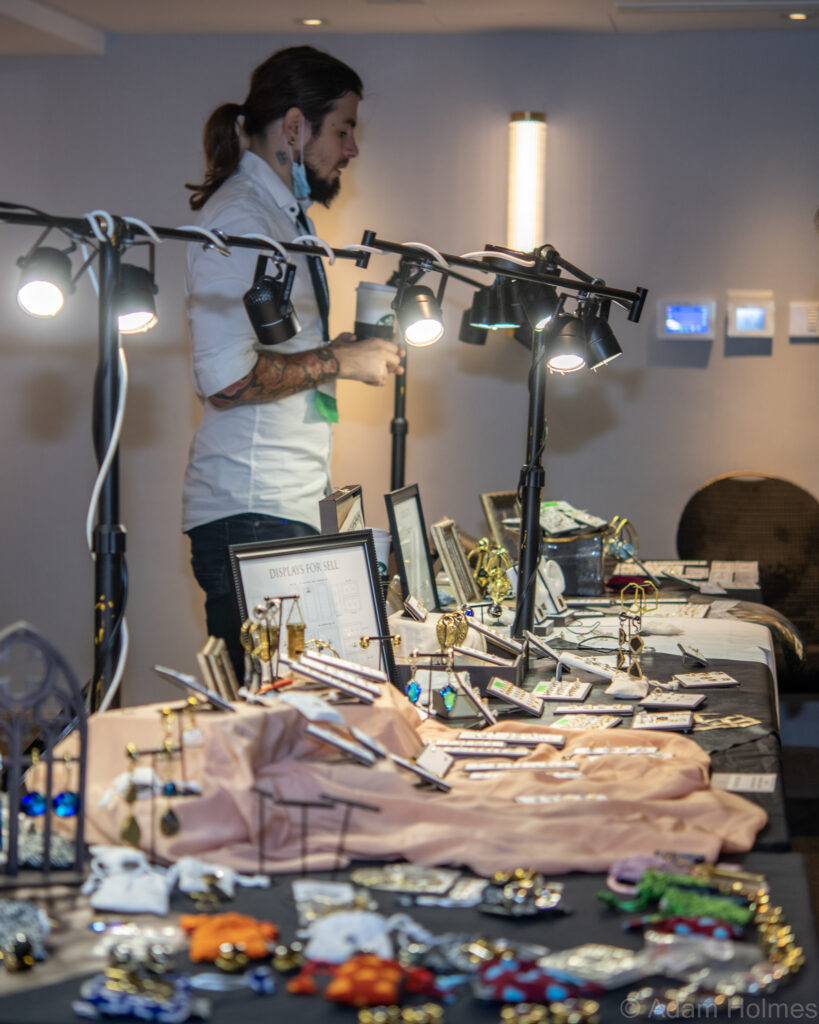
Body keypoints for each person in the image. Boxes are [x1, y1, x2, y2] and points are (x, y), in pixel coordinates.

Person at [183, 45, 402, 678]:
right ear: (295, 127)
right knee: (278, 722)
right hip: (252, 509)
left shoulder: (282, 218)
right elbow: (224, 379)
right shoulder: (240, 222)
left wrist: (339, 353)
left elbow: (271, 352)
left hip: (281, 504)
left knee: (303, 710)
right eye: (344, 129)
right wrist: (337, 363)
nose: (352, 149)